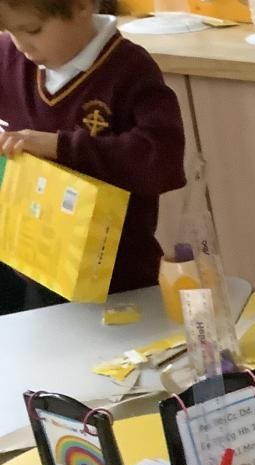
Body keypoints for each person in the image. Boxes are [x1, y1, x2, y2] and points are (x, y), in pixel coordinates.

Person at [0, 0, 186, 312]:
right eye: (9, 31)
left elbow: (162, 160)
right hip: (31, 269)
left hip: (118, 278)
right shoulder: (9, 58)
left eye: (33, 30)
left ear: (81, 6)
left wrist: (59, 147)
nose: (22, 45)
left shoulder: (129, 70)